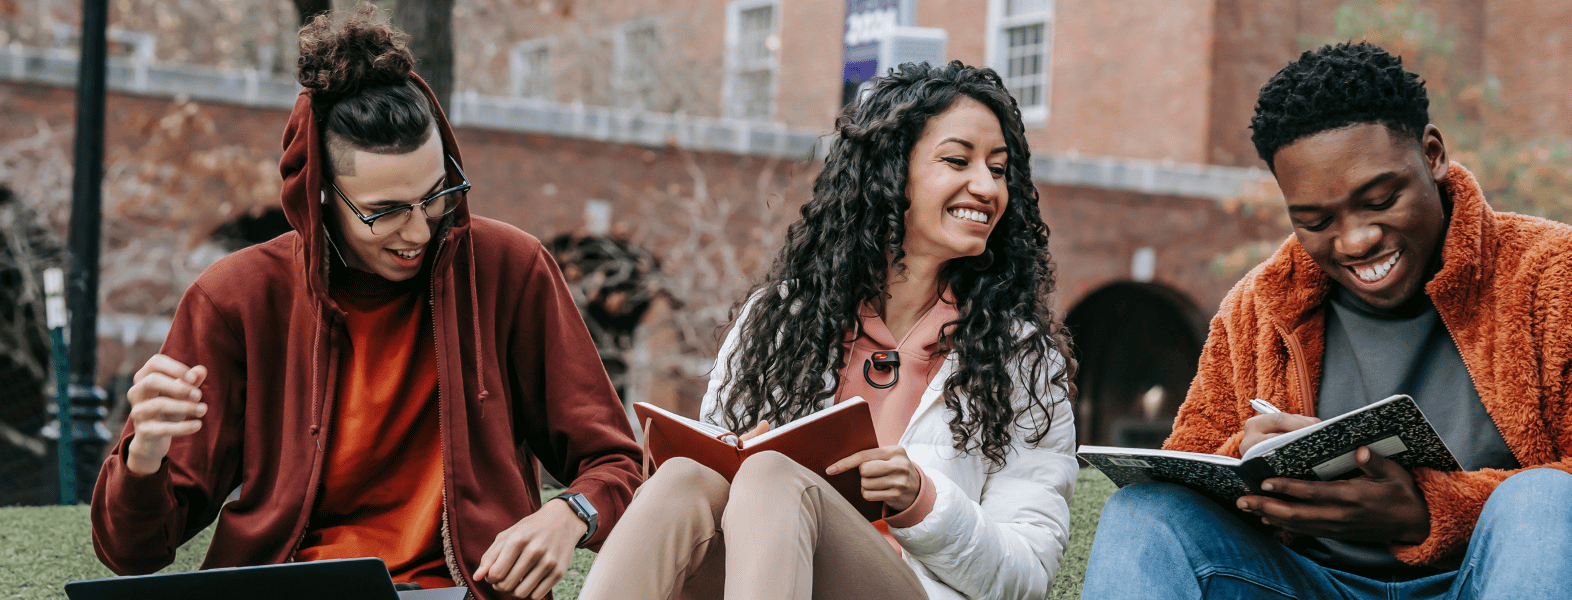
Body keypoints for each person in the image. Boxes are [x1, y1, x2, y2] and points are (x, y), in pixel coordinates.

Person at [1079, 41, 1572, 599]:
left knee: (1543, 502)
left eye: (1380, 200)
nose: (1355, 241)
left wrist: (1430, 512)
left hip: (1493, 577)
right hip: (1308, 582)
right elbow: (1193, 465)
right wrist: (1252, 464)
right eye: (1316, 222)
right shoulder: (1259, 306)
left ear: (1431, 154)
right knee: (1145, 514)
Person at [87, 6, 643, 599]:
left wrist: (570, 514)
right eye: (384, 212)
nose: (419, 231)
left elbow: (618, 462)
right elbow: (132, 553)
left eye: (436, 196)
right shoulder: (236, 298)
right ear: (320, 193)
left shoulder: (511, 269)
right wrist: (144, 452)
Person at [579, 61, 1079, 600]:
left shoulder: (1021, 357)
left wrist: (923, 501)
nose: (985, 187)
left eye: (999, 170)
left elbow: (1026, 576)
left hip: (909, 589)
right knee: (684, 480)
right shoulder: (779, 320)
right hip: (759, 576)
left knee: (774, 475)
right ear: (889, 172)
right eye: (958, 160)